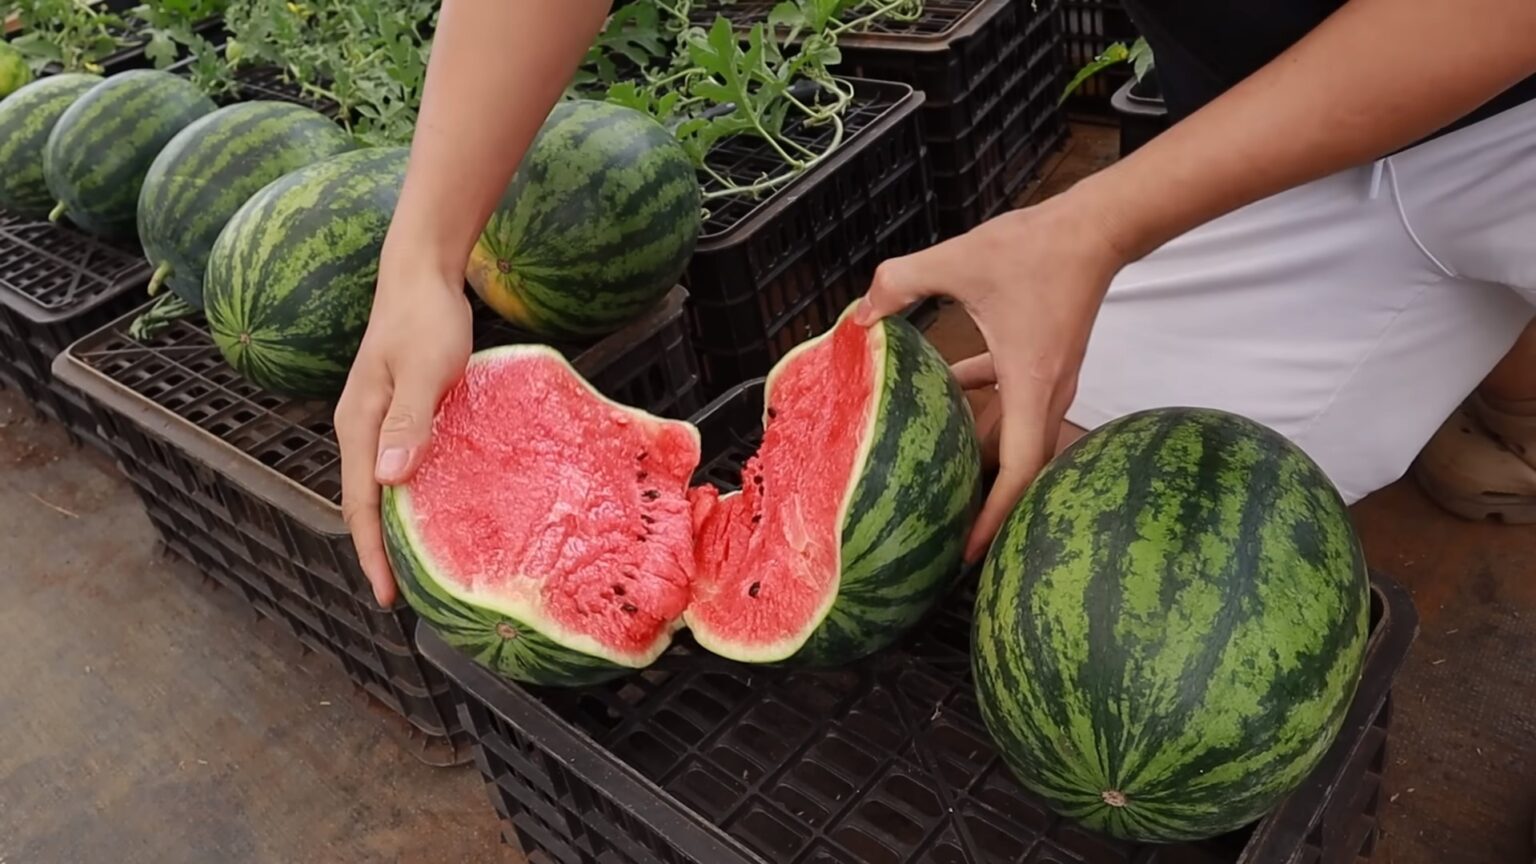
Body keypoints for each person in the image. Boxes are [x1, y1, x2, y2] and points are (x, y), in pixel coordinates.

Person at [336, 0, 1536, 612]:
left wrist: (1093, 222)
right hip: (1276, 121)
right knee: (1050, 520)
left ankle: (1502, 375)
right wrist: (424, 255)